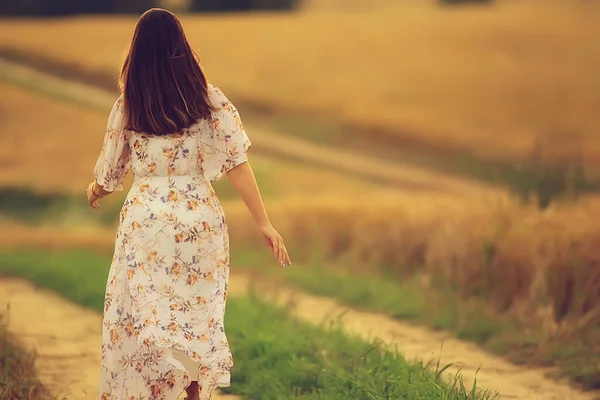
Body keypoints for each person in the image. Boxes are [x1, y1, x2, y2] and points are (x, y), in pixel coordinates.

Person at [85, 8, 291, 400]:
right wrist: (264, 223)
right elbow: (237, 165)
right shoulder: (208, 100)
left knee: (144, 318)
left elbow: (111, 175)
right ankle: (192, 391)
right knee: (194, 316)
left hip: (147, 224)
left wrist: (95, 189)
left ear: (137, 52)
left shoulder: (129, 105)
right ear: (182, 48)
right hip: (199, 221)